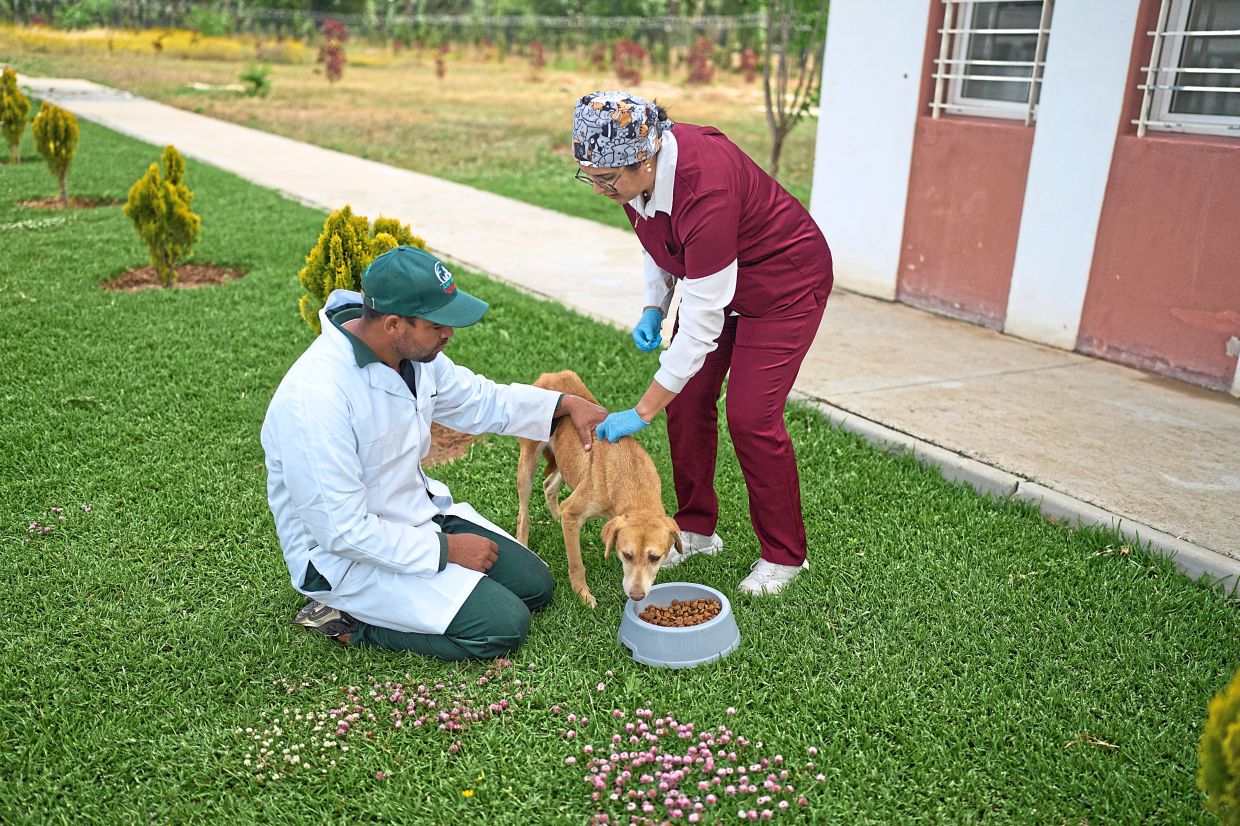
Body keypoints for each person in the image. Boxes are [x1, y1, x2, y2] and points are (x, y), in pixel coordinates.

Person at [261, 245, 607, 659]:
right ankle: (346, 623)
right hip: (344, 558)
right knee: (504, 626)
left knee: (536, 585)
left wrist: (561, 404)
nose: (450, 333)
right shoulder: (314, 399)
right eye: (438, 324)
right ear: (393, 324)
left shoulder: (414, 356)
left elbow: (480, 401)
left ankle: (440, 573)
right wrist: (448, 551)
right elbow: (341, 532)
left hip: (414, 516)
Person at [573, 90, 833, 597]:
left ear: (646, 158)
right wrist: (654, 303)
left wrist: (642, 411)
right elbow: (656, 237)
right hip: (715, 281)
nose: (602, 188)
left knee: (751, 416)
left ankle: (784, 556)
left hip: (782, 285)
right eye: (591, 176)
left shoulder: (705, 187)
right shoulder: (632, 178)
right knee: (688, 399)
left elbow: (700, 326)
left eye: (609, 178)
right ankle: (695, 528)